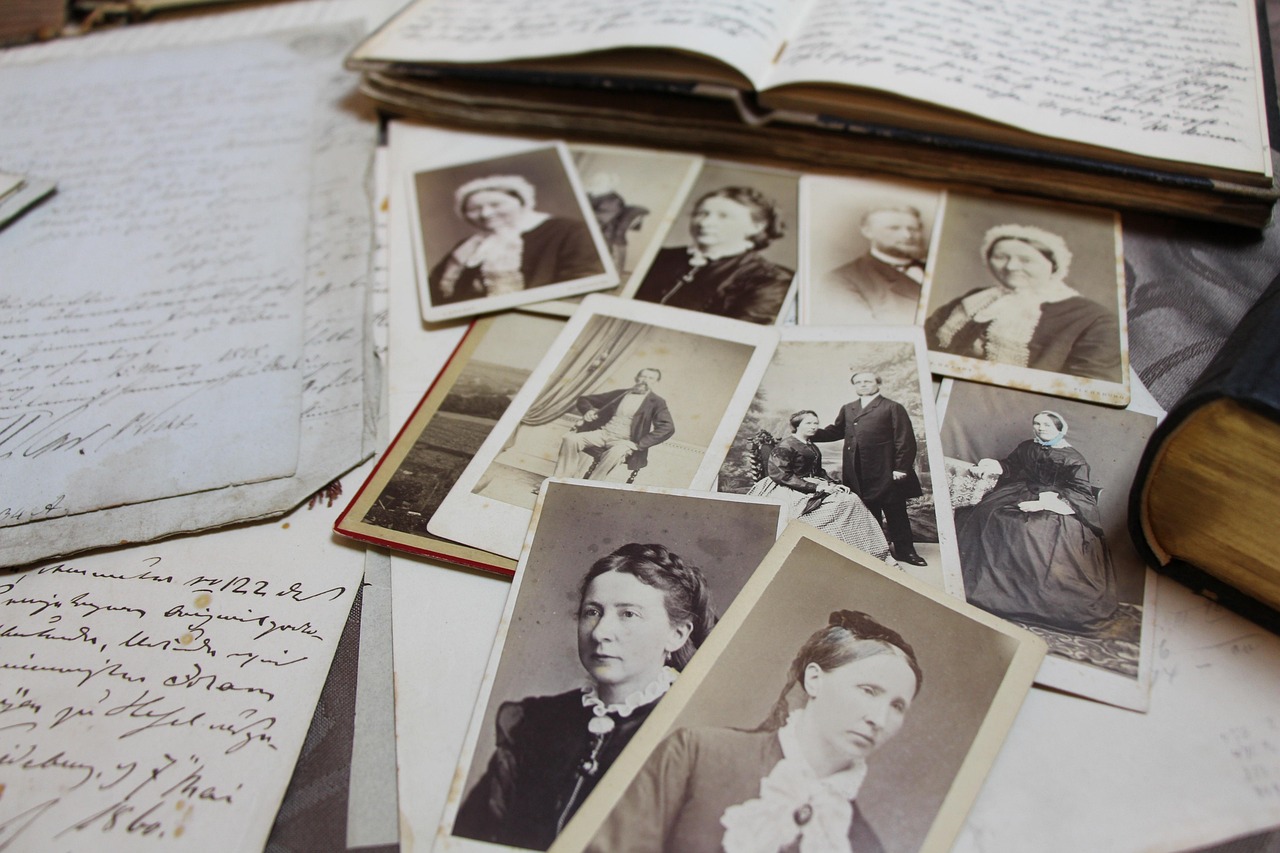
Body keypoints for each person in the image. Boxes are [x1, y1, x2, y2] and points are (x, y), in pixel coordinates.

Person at [583, 610, 922, 853]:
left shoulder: (861, 842)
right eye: (868, 690)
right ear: (814, 679)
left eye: (897, 706)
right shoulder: (697, 754)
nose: (879, 718)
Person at [454, 543, 716, 850]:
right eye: (592, 612)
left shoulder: (688, 735)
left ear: (677, 634)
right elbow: (472, 835)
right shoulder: (535, 722)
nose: (600, 632)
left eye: (628, 614)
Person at [954, 410, 1119, 632]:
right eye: (1037, 424)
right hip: (1020, 491)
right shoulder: (1028, 446)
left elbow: (1081, 493)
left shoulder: (1074, 459)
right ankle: (989, 587)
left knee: (1032, 530)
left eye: (1047, 425)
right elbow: (1011, 465)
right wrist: (993, 467)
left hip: (1054, 502)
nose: (1041, 428)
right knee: (987, 513)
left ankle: (1022, 597)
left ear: (1060, 429)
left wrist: (1044, 503)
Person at [924, 224, 1121, 380]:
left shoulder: (1093, 318)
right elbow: (925, 339)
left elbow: (1088, 384)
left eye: (1026, 260)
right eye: (1000, 257)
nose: (1011, 266)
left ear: (1053, 265)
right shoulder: (976, 298)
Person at [747, 410, 897, 565]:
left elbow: (818, 471)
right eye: (808, 423)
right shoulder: (786, 445)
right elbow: (780, 474)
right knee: (835, 507)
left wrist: (832, 484)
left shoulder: (810, 445)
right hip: (788, 486)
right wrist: (815, 487)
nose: (813, 426)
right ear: (796, 426)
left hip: (813, 482)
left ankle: (867, 551)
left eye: (816, 423)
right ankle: (831, 553)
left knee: (850, 498)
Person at [428, 174, 604, 305]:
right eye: (474, 209)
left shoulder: (569, 230)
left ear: (521, 202)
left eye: (496, 204)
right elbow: (434, 291)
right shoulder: (467, 246)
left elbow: (585, 282)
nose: (485, 214)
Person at [812, 372, 928, 567]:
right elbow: (836, 431)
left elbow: (905, 439)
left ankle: (905, 551)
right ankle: (874, 550)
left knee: (895, 512)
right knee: (867, 513)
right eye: (858, 382)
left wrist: (901, 467)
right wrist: (809, 434)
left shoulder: (892, 407)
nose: (863, 385)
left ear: (878, 384)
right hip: (857, 470)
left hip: (886, 469)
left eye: (867, 381)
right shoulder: (848, 408)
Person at [633, 186, 794, 324]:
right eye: (701, 214)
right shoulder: (658, 256)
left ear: (756, 226)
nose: (705, 223)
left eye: (723, 216)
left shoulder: (770, 280)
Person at [551, 368, 675, 482]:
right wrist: (588, 410)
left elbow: (667, 427)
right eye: (643, 376)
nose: (645, 380)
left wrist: (640, 444)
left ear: (656, 382)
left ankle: (591, 485)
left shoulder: (656, 402)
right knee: (570, 439)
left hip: (624, 441)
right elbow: (584, 399)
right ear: (636, 378)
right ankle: (562, 480)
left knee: (615, 453)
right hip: (603, 434)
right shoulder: (619, 394)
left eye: (650, 378)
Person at [818, 205, 927, 325]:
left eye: (913, 229)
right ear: (868, 231)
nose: (907, 235)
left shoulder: (934, 270)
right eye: (894, 228)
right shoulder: (840, 280)